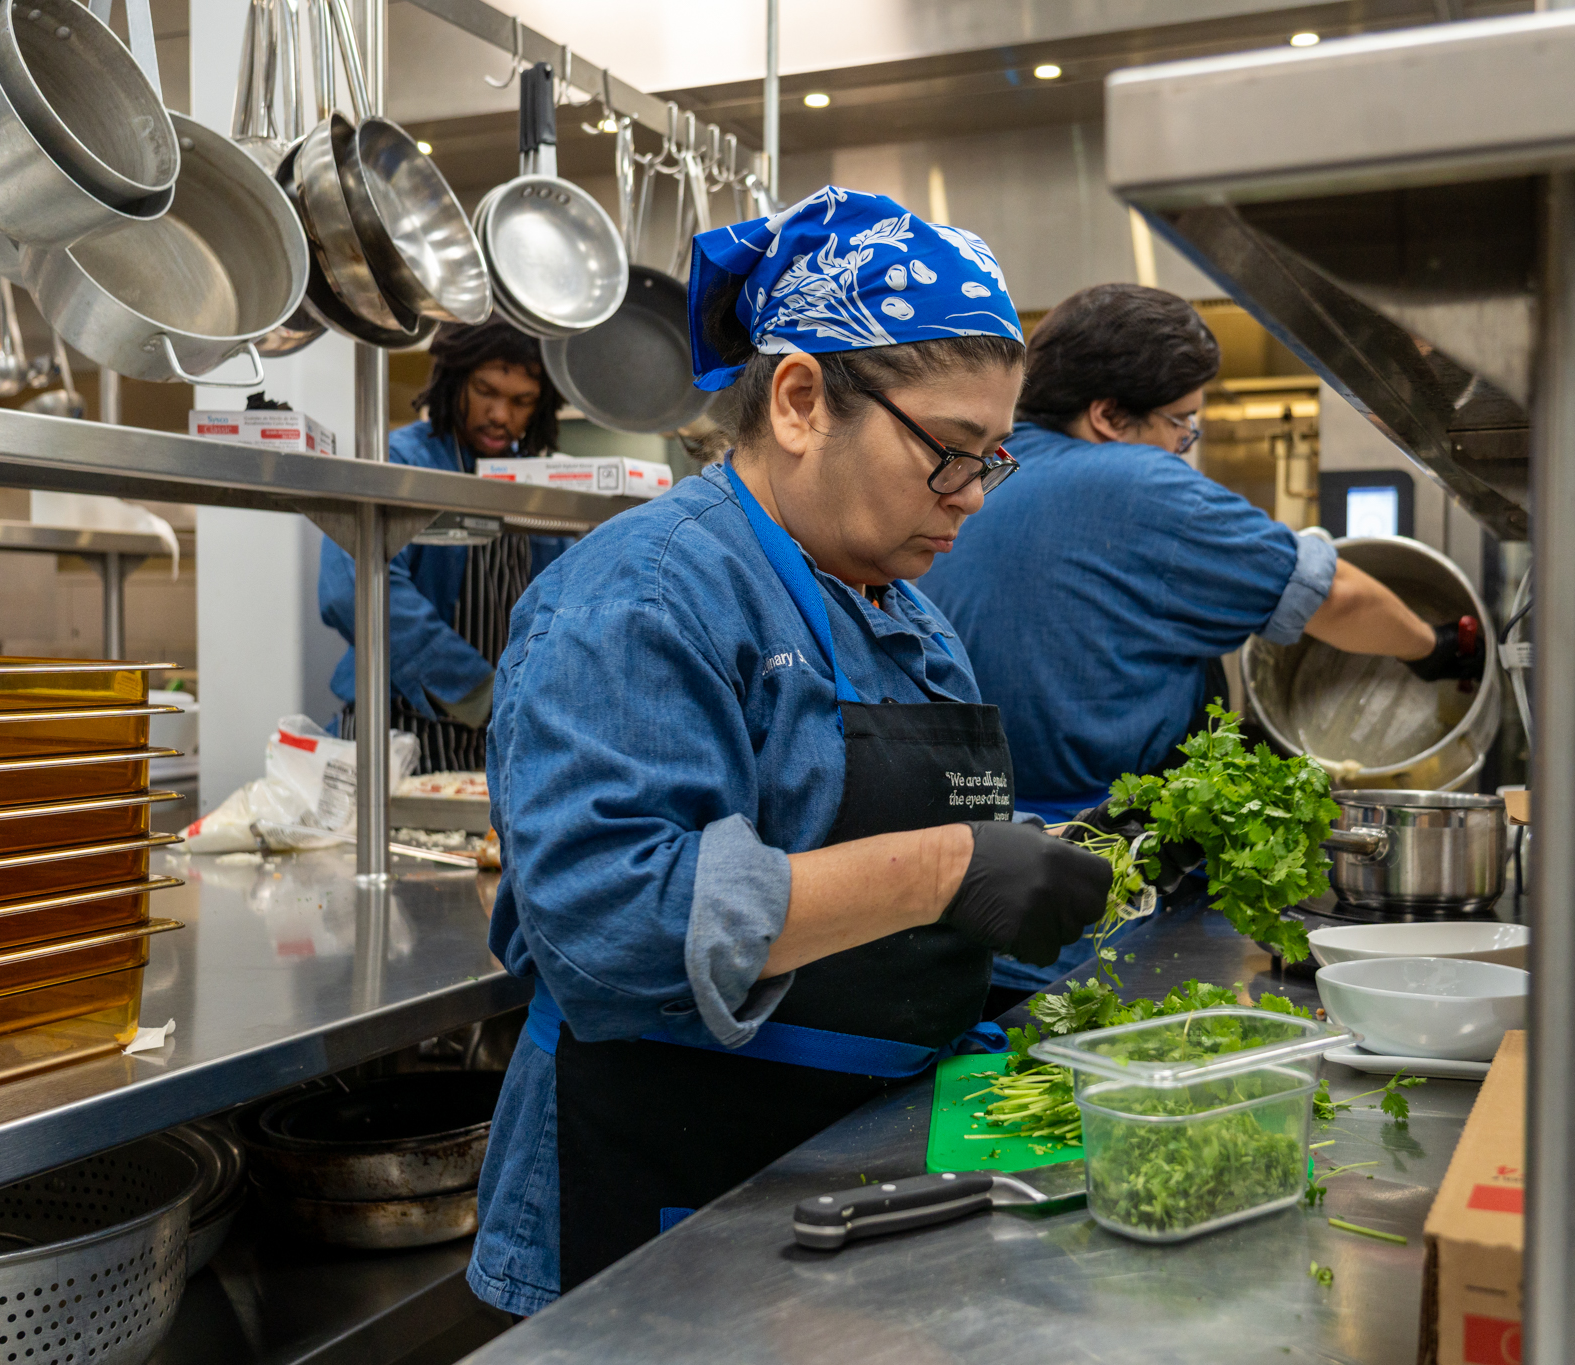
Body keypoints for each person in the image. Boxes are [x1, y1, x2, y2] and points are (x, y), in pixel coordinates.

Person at [465, 187, 1110, 1318]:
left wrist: (1042, 933)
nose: (967, 499)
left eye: (990, 461)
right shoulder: (650, 591)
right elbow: (609, 928)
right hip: (671, 1199)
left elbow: (936, 913)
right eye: (946, 453)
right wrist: (946, 870)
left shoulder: (905, 613)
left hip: (858, 1174)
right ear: (804, 399)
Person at [920, 283, 1483, 992]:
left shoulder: (977, 478)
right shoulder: (1133, 482)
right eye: (1182, 423)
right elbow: (1335, 594)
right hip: (1093, 915)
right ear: (1108, 417)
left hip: (963, 901)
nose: (1184, 447)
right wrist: (1439, 649)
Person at [318, 321, 565, 771]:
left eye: (521, 401)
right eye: (485, 391)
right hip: (398, 731)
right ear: (454, 381)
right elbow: (350, 586)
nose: (500, 415)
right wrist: (473, 690)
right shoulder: (398, 461)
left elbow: (562, 604)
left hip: (503, 735)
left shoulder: (540, 486)